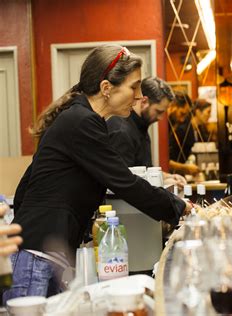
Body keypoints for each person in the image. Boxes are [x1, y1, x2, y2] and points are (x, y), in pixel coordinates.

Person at [4, 45, 190, 302]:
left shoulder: (81, 119)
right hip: (38, 255)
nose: (139, 97)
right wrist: (181, 207)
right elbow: (124, 182)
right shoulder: (82, 121)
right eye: (134, 87)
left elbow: (27, 186)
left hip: (41, 249)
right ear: (106, 88)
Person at [107, 76, 186, 187]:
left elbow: (144, 170)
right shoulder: (121, 130)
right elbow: (124, 180)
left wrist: (167, 177)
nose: (160, 118)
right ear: (144, 101)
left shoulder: (141, 126)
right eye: (158, 111)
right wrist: (162, 184)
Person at [168, 92, 200, 176]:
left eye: (185, 115)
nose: (182, 120)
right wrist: (185, 168)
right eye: (182, 113)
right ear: (173, 106)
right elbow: (162, 160)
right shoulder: (161, 127)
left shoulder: (176, 125)